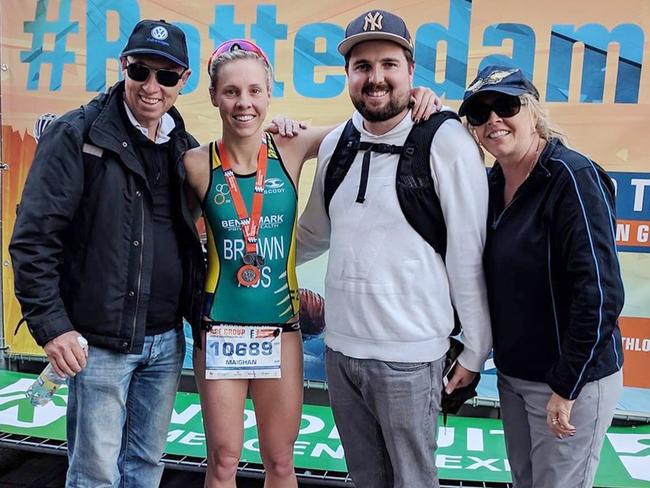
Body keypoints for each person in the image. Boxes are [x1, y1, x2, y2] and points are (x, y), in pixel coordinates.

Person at [184, 39, 439, 488]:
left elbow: (368, 120)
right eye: (231, 92)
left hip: (281, 329)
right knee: (222, 462)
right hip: (220, 329)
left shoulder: (291, 144)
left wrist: (419, 98)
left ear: (269, 92)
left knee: (280, 462)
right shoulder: (193, 164)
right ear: (213, 96)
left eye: (254, 91)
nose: (244, 103)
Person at [296, 10, 492, 488]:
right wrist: (247, 252)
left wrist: (475, 350)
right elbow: (313, 235)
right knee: (366, 479)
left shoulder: (445, 140)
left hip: (411, 357)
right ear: (348, 76)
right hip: (342, 353)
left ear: (409, 71)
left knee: (412, 481)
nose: (376, 78)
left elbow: (469, 252)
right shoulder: (337, 143)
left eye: (389, 64)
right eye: (362, 66)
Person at [9, 19, 205, 487]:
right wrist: (53, 327)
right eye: (141, 71)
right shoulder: (76, 134)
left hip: (165, 343)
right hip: (97, 346)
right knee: (95, 474)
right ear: (123, 68)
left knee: (145, 468)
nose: (152, 86)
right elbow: (33, 240)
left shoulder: (185, 147)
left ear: (185, 81)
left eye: (167, 75)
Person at [458, 65, 624, 488]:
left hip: (572, 381)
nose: (494, 119)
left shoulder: (572, 176)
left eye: (506, 105)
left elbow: (601, 294)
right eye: (480, 112)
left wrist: (567, 385)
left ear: (532, 111)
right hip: (514, 377)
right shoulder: (488, 186)